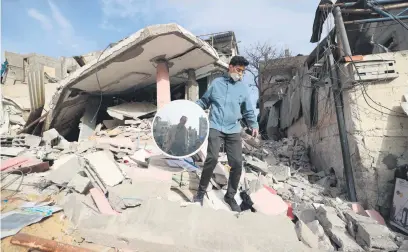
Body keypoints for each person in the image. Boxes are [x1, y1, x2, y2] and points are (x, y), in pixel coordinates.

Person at [193, 56, 259, 212]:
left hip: (234, 129)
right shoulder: (217, 84)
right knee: (212, 158)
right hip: (216, 126)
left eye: (243, 71)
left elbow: (248, 110)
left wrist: (254, 124)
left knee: (236, 163)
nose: (241, 74)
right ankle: (200, 193)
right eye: (238, 70)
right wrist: (193, 108)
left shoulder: (242, 88)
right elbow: (204, 101)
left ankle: (230, 196)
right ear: (230, 67)